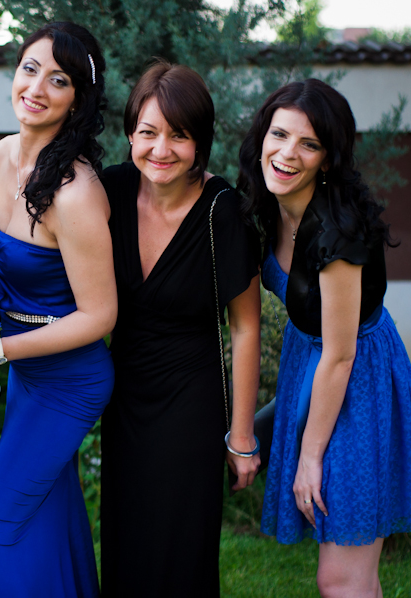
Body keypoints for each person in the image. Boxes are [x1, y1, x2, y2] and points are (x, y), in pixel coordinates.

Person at [238, 79, 411, 597]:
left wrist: (309, 455)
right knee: (353, 581)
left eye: (308, 143)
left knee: (341, 579)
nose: (287, 153)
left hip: (356, 380)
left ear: (328, 159)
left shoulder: (339, 232)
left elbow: (341, 353)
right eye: (279, 135)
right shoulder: (266, 206)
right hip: (313, 367)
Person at [0, 22, 117, 598]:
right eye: (30, 69)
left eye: (59, 80)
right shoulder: (5, 154)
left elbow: (100, 316)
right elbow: (2, 266)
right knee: (49, 519)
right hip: (29, 368)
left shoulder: (74, 194)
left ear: (77, 99)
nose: (37, 87)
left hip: (69, 379)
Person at [99, 60, 262, 597]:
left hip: (191, 400)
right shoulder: (112, 191)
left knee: (180, 547)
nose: (161, 149)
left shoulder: (224, 211)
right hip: (125, 395)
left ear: (201, 141)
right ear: (130, 135)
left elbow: (243, 329)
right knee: (126, 539)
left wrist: (241, 438)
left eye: (179, 135)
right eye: (147, 132)